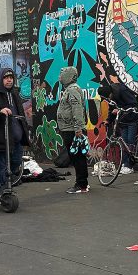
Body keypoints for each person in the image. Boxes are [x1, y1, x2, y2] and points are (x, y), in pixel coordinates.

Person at [56, 66, 89, 194]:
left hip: (72, 130)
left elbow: (77, 109)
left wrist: (78, 128)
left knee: (77, 158)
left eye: (62, 74)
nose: (60, 77)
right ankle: (82, 183)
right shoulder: (70, 89)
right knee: (77, 157)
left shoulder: (73, 90)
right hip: (70, 129)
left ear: (69, 76)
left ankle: (81, 185)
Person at [98, 79, 138, 176]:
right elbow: (112, 109)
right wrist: (108, 120)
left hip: (132, 118)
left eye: (107, 98)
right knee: (124, 142)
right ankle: (125, 164)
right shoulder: (111, 97)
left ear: (109, 93)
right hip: (123, 120)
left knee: (130, 141)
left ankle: (129, 165)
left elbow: (133, 104)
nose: (108, 100)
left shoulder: (122, 90)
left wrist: (121, 110)